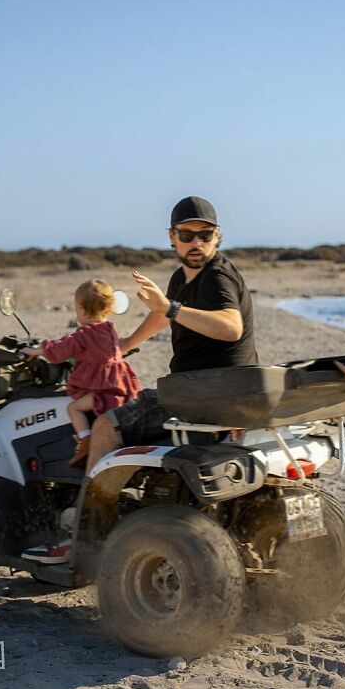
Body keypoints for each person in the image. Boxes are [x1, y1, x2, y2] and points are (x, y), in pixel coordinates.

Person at [23, 196, 258, 564]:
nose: (196, 242)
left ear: (218, 237)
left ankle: (83, 537)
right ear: (172, 237)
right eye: (186, 234)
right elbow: (163, 316)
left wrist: (171, 307)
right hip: (215, 390)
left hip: (199, 393)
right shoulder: (184, 276)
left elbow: (231, 327)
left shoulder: (217, 277)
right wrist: (127, 343)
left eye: (205, 234)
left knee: (104, 426)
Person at [21, 279, 142, 466]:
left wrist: (35, 351)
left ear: (83, 310)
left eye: (77, 310)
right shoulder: (109, 329)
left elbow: (62, 347)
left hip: (104, 393)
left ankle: (85, 440)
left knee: (73, 408)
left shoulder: (84, 335)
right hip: (121, 388)